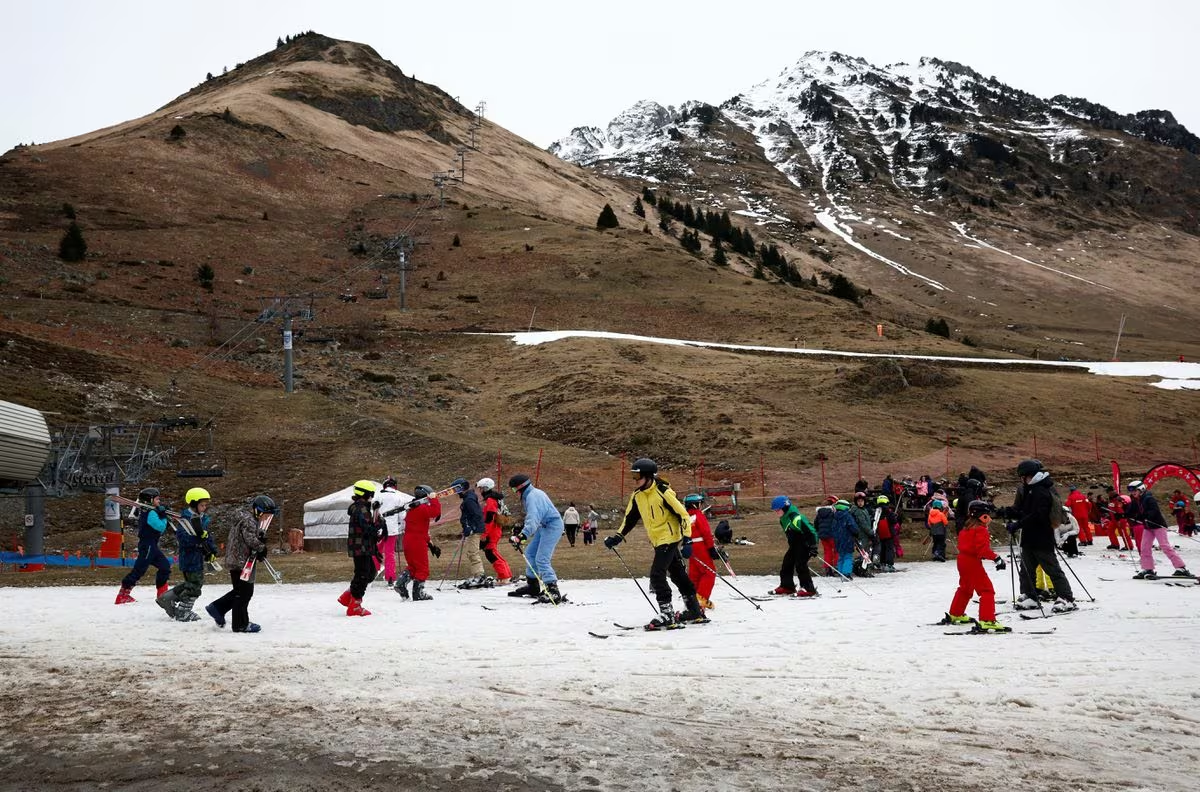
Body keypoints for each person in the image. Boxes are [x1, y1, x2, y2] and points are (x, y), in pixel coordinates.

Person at [604, 458, 706, 628]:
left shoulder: (663, 491)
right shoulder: (637, 496)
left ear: (648, 476)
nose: (635, 481)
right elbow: (629, 519)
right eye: (633, 477)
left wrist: (687, 539)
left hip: (670, 537)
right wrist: (617, 537)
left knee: (657, 574)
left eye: (638, 477)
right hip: (657, 540)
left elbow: (683, 515)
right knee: (678, 574)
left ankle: (667, 614)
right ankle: (694, 610)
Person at [1007, 460, 1077, 612]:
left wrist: (1018, 524)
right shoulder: (1030, 489)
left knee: (1051, 568)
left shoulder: (1042, 491)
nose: (1022, 480)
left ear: (1030, 476)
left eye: (1023, 477)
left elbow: (1038, 515)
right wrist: (1007, 512)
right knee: (1026, 569)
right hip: (1029, 537)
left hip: (1041, 537)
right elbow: (1024, 511)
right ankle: (1030, 595)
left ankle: (1066, 598)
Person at [206, 495, 273, 633]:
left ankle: (218, 608)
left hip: (237, 560)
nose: (266, 519)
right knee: (244, 593)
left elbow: (251, 536)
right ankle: (239, 624)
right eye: (266, 515)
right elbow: (250, 540)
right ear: (258, 511)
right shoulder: (249, 521)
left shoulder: (248, 519)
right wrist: (262, 547)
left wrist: (260, 539)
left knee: (240, 591)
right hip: (240, 561)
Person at [939, 500, 1008, 632]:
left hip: (962, 561)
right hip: (972, 563)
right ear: (983, 516)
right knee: (986, 590)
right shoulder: (980, 530)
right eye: (987, 515)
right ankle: (987, 620)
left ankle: (956, 613)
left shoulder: (966, 528)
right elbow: (982, 551)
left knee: (965, 588)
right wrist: (997, 558)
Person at [155, 487, 219, 622]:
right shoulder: (185, 520)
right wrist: (198, 538)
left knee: (192, 583)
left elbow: (207, 537)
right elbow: (183, 540)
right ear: (194, 504)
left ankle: (166, 598)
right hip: (189, 558)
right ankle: (183, 611)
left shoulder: (201, 518)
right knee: (195, 586)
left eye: (206, 505)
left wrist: (212, 551)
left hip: (198, 557)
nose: (204, 507)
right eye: (202, 505)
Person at [508, 473, 565, 603]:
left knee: (542, 559)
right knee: (530, 553)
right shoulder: (532, 494)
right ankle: (533, 586)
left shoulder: (533, 497)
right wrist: (521, 529)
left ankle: (553, 590)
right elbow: (535, 517)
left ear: (520, 487)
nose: (514, 492)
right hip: (543, 526)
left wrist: (523, 535)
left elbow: (533, 519)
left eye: (514, 489)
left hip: (552, 526)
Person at [115, 487, 173, 605]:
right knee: (139, 570)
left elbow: (161, 526)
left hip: (152, 546)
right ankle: (123, 595)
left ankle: (162, 595)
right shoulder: (150, 512)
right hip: (147, 546)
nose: (159, 501)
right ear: (149, 500)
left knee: (165, 567)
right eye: (157, 499)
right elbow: (160, 527)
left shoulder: (151, 511)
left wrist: (163, 514)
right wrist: (163, 516)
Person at [337, 480, 384, 616]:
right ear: (366, 493)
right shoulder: (361, 509)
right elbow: (368, 529)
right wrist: (380, 523)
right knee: (363, 575)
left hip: (362, 546)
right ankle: (355, 606)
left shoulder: (361, 507)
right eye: (371, 494)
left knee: (369, 573)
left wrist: (376, 511)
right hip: (361, 546)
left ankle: (347, 596)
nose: (372, 496)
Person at [1129, 480, 1193, 580]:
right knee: (1145, 547)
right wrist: (1121, 515)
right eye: (1131, 491)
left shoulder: (1149, 498)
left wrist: (1145, 517)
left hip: (1158, 525)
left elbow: (1154, 511)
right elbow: (1130, 511)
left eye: (1134, 490)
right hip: (1148, 527)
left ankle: (1181, 568)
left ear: (1141, 489)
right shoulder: (1136, 500)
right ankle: (1148, 568)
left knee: (1164, 546)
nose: (1132, 493)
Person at [396, 484, 442, 601]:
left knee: (413, 566)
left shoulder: (412, 509)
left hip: (408, 541)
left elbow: (420, 529)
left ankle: (401, 583)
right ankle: (418, 593)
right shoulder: (421, 508)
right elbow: (436, 511)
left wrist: (431, 545)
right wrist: (434, 498)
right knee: (422, 569)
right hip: (417, 543)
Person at [769, 495, 819, 597]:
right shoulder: (783, 519)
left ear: (785, 507)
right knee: (787, 563)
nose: (776, 512)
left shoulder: (795, 517)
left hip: (806, 544)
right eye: (775, 510)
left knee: (800, 564)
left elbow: (811, 531)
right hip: (795, 545)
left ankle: (808, 589)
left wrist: (813, 546)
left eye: (778, 510)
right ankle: (787, 587)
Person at [683, 493, 718, 610]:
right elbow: (706, 533)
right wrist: (711, 548)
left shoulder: (685, 516)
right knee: (709, 572)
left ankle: (691, 601)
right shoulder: (698, 515)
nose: (700, 506)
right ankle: (701, 599)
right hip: (701, 546)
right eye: (699, 503)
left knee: (695, 575)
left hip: (690, 547)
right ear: (694, 504)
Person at [454, 477, 490, 588]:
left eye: (457, 490)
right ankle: (478, 575)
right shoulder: (468, 498)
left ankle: (480, 576)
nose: (456, 493)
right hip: (473, 529)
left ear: (463, 488)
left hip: (475, 530)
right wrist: (466, 527)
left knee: (473, 553)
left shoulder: (469, 500)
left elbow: (476, 515)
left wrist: (471, 527)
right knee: (471, 552)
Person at [477, 477, 512, 585]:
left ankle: (504, 576)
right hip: (495, 529)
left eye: (481, 488)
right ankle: (506, 574)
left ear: (485, 488)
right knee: (493, 552)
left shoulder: (490, 500)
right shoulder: (494, 498)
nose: (480, 491)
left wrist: (484, 534)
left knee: (491, 553)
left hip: (492, 530)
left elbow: (489, 519)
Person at [374, 476, 403, 587]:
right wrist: (400, 524)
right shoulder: (399, 497)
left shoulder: (379, 496)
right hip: (392, 530)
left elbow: (374, 512)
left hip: (380, 529)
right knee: (390, 553)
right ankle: (390, 578)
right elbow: (402, 515)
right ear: (394, 485)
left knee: (376, 551)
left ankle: (372, 572)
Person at [848, 492, 874, 577]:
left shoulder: (864, 510)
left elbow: (866, 522)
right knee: (864, 552)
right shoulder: (858, 511)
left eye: (862, 501)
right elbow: (863, 524)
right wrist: (871, 532)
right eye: (858, 501)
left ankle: (861, 568)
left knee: (865, 551)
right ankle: (863, 569)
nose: (860, 503)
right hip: (861, 535)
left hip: (864, 534)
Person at [832, 499, 858, 578]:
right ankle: (846, 573)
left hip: (838, 540)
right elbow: (853, 527)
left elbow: (832, 528)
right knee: (848, 557)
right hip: (847, 539)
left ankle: (840, 572)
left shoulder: (835, 516)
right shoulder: (847, 516)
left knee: (841, 557)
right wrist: (856, 532)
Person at [874, 495, 900, 572]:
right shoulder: (889, 512)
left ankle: (882, 563)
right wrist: (895, 516)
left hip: (880, 534)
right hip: (889, 534)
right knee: (889, 549)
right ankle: (889, 564)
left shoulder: (876, 511)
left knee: (882, 548)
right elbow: (894, 521)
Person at [813, 496, 838, 574]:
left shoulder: (819, 512)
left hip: (823, 536)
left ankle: (827, 568)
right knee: (836, 550)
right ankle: (837, 566)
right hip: (832, 534)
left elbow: (816, 523)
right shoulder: (833, 512)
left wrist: (819, 531)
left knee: (827, 551)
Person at [925, 491, 951, 562]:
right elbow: (945, 522)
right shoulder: (941, 514)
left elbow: (929, 523)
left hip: (933, 531)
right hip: (941, 531)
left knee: (935, 543)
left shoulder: (930, 514)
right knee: (941, 543)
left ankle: (934, 554)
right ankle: (938, 553)